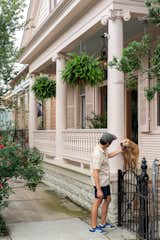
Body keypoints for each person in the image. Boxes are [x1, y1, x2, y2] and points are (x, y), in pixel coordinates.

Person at [89, 132, 122, 233]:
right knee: (97, 203)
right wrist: (98, 189)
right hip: (100, 183)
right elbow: (95, 172)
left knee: (108, 199)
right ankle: (93, 227)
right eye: (111, 142)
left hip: (105, 182)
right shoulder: (97, 154)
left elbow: (109, 155)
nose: (111, 144)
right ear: (107, 143)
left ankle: (103, 223)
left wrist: (119, 151)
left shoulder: (103, 150)